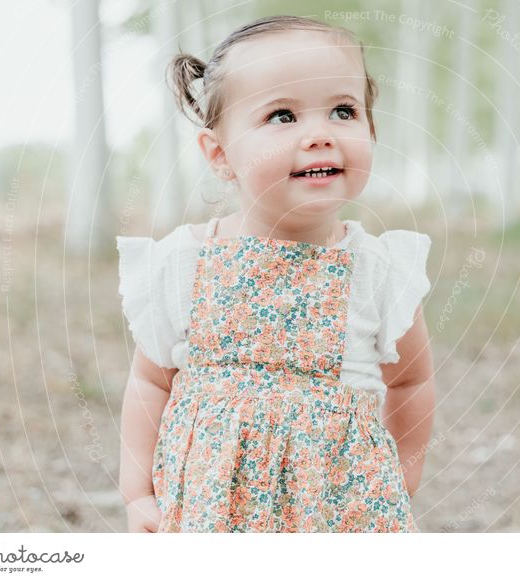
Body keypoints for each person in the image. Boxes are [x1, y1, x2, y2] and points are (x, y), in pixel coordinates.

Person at [116, 14, 435, 533]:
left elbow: (412, 380)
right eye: (283, 116)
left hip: (339, 510)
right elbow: (150, 381)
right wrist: (137, 494)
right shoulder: (185, 263)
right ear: (220, 155)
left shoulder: (376, 269)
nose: (319, 135)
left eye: (342, 110)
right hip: (210, 509)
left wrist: (403, 477)